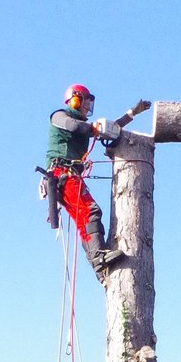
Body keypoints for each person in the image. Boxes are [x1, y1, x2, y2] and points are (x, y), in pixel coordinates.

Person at [46, 83, 123, 277]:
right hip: (62, 174)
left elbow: (102, 129)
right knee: (90, 211)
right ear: (75, 99)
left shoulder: (84, 125)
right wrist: (94, 128)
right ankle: (99, 255)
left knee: (83, 220)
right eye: (85, 102)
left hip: (69, 175)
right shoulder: (59, 116)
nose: (88, 107)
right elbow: (74, 126)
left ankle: (99, 266)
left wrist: (130, 115)